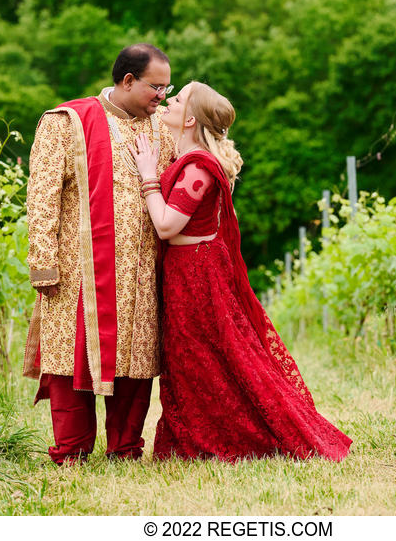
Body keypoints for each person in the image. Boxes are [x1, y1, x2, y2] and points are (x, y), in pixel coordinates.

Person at [129, 81, 352, 462]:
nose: (169, 101)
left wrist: (148, 176)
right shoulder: (189, 159)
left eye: (178, 99)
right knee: (194, 357)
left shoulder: (199, 166)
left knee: (210, 355)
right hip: (187, 269)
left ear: (191, 119)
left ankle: (239, 436)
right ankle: (197, 435)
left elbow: (167, 225)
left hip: (196, 273)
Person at [23, 44, 177, 465]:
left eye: (168, 88)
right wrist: (44, 262)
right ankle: (70, 450)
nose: (162, 97)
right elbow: (41, 197)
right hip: (79, 272)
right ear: (128, 81)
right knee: (70, 356)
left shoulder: (164, 126)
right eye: (156, 88)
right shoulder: (67, 121)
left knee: (137, 359)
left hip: (145, 271)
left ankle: (125, 448)